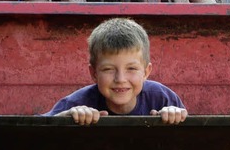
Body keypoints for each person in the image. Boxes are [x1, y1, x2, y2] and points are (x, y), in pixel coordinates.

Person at [44, 17, 188, 125]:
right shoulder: (77, 103)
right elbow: (34, 130)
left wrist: (176, 117)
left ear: (146, 71)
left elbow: (191, 136)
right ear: (94, 73)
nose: (120, 79)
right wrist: (64, 120)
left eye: (131, 68)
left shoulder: (163, 99)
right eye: (108, 69)